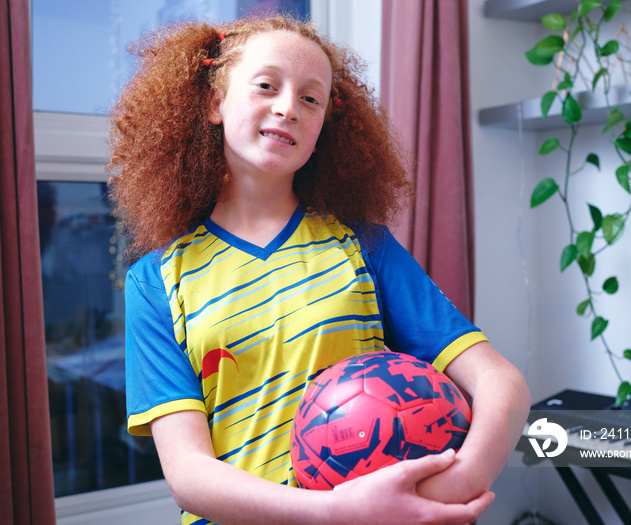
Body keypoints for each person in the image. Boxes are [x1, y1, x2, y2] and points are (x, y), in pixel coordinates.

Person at [110, 13, 530, 525]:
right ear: (215, 102)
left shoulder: (364, 246)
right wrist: (333, 512)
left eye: (311, 99)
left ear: (322, 129)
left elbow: (500, 382)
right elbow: (189, 475)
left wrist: (465, 477)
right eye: (266, 85)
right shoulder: (155, 282)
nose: (288, 108)